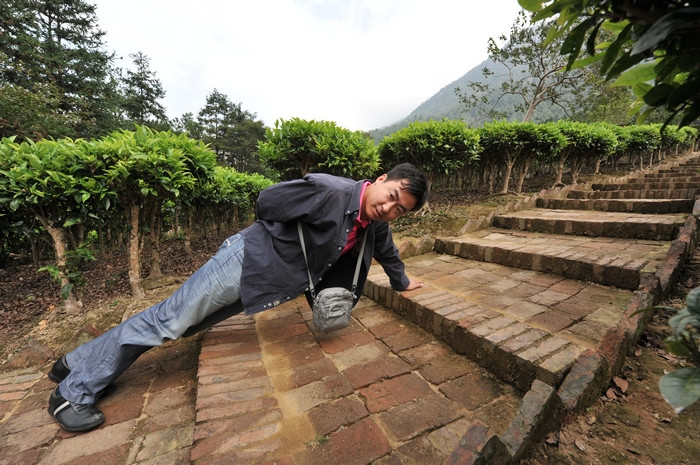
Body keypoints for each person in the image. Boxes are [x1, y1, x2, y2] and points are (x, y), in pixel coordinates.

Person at [47, 163, 429, 432]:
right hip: (245, 260)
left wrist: (402, 282)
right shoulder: (331, 191)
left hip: (265, 281)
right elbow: (268, 202)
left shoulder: (373, 221)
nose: (390, 208)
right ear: (381, 179)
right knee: (168, 321)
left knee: (182, 324)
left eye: (400, 209)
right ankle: (71, 394)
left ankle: (74, 362)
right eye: (392, 195)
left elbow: (387, 253)